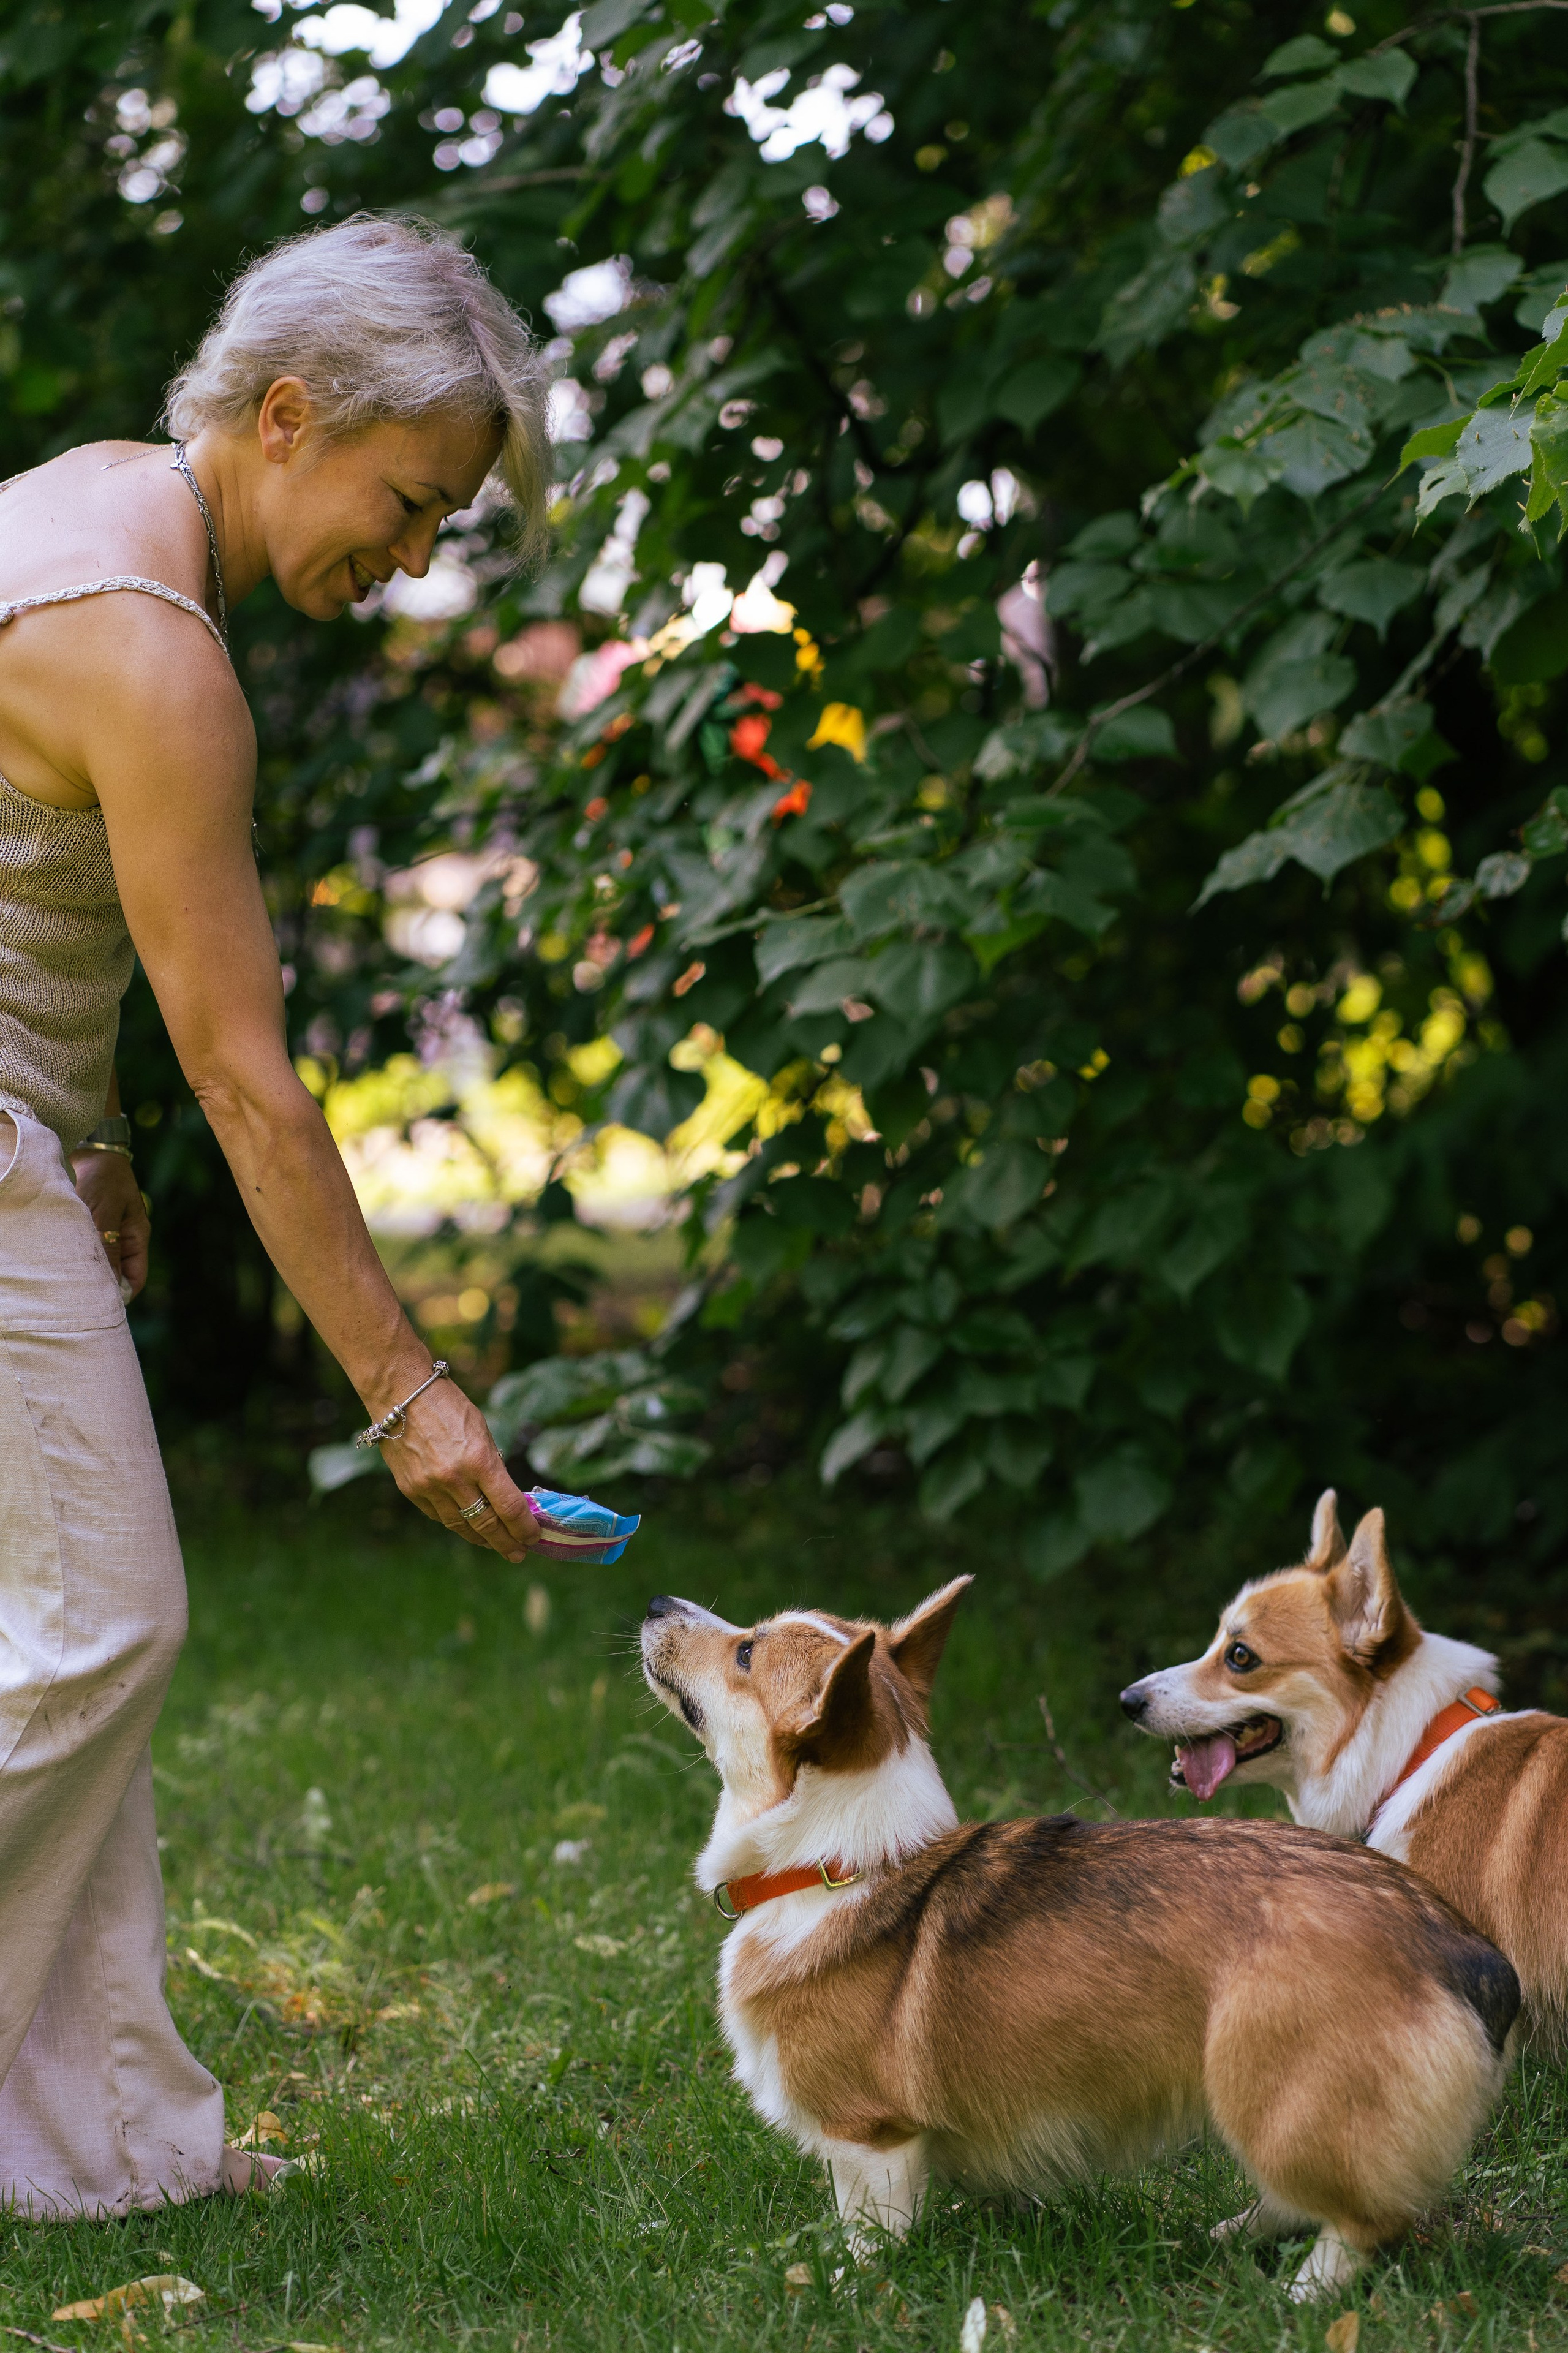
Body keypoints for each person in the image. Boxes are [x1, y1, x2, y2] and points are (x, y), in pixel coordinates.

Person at [0, 216, 549, 2218]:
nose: (410, 558)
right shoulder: (156, 649)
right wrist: (411, 1395)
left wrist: (90, 1127)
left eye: (447, 525)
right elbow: (256, 1074)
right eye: (408, 502)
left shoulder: (75, 507)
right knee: (105, 1624)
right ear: (293, 414)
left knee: (60, 1642)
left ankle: (100, 2144)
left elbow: (54, 909)